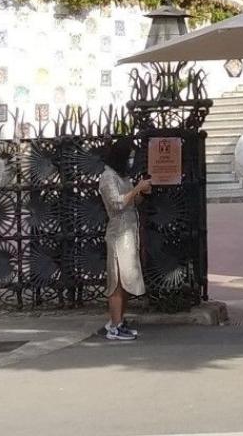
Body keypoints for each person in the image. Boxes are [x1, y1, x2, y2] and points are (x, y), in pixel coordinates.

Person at [97, 138, 151, 341]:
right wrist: (136, 189)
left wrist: (142, 193)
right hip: (118, 233)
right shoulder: (107, 177)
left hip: (129, 232)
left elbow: (131, 201)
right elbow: (117, 204)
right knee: (117, 281)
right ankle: (114, 325)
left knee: (127, 279)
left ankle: (119, 320)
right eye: (128, 156)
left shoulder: (122, 176)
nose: (130, 160)